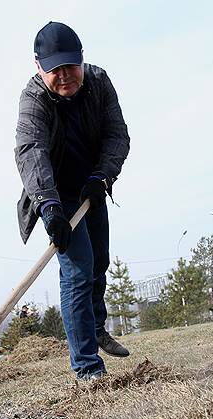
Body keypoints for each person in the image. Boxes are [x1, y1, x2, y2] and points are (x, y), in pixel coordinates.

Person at [14, 21, 131, 381]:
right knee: (78, 271)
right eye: (55, 70)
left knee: (99, 263)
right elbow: (31, 151)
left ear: (82, 59)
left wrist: (102, 176)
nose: (65, 76)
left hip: (90, 186)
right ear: (39, 67)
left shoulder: (98, 83)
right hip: (55, 192)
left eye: (71, 66)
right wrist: (49, 207)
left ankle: (96, 327)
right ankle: (87, 366)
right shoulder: (33, 99)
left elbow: (117, 135)